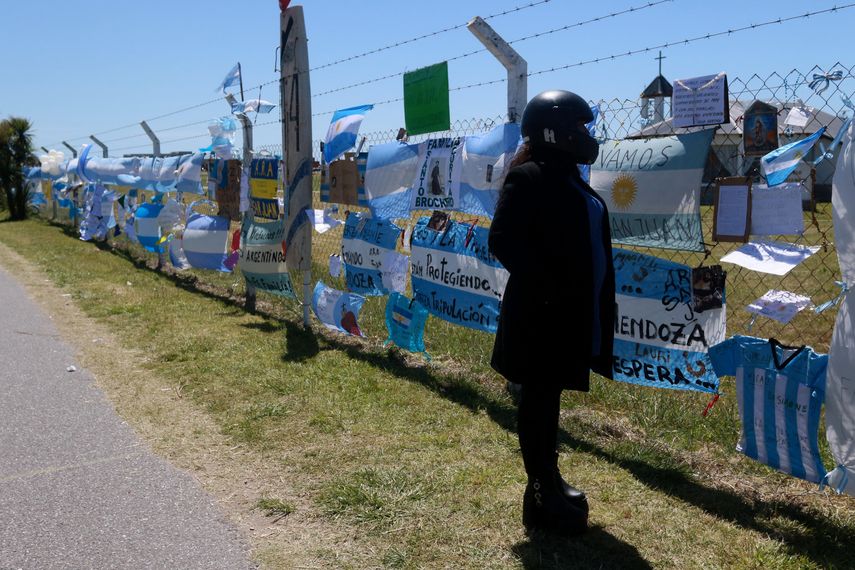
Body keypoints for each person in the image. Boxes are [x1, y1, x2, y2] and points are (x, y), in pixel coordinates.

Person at [488, 90, 615, 536]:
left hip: (565, 318)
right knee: (538, 403)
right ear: (554, 130)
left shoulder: (567, 175)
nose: (586, 136)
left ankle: (549, 480)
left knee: (548, 401)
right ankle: (540, 492)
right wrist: (549, 289)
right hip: (540, 318)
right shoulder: (530, 176)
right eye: (579, 127)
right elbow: (502, 240)